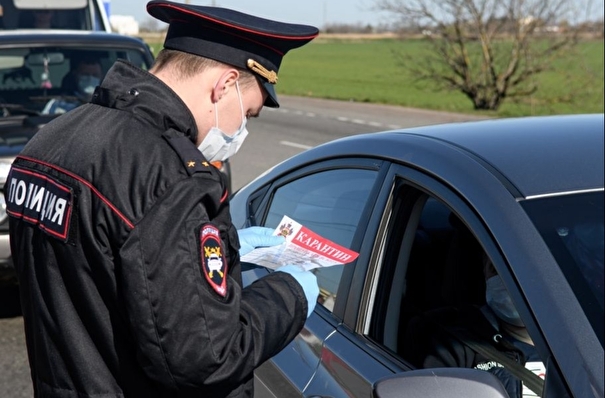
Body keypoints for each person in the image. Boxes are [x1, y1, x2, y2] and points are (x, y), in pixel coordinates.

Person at [4, 1, 319, 397]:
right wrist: (288, 295)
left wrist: (225, 247)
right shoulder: (171, 178)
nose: (242, 131)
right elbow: (205, 358)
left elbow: (105, 265)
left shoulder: (52, 138)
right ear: (224, 86)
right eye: (249, 114)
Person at [408, 254, 544, 398]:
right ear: (484, 271)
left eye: (525, 270)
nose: (510, 281)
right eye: (496, 269)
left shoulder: (569, 340)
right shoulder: (455, 344)